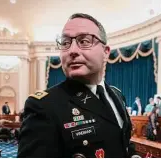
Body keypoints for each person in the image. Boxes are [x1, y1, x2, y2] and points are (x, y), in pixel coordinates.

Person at [18, 13, 137, 158]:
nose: (72, 51)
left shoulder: (116, 95)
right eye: (65, 43)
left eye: (84, 41)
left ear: (105, 53)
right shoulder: (43, 106)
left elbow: (122, 141)